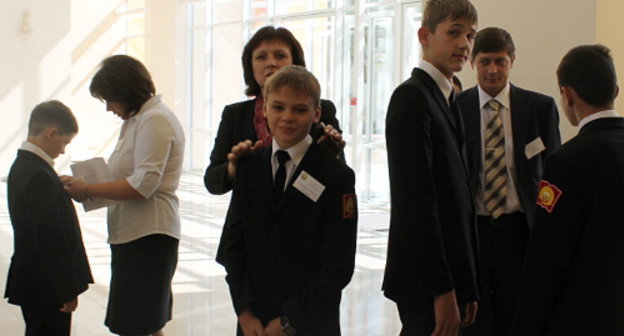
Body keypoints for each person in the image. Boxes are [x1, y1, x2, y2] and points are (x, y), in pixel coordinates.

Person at [218, 65, 357, 336]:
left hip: (309, 322)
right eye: (278, 107)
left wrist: (288, 322)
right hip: (254, 321)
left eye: (300, 110)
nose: (287, 117)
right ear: (265, 109)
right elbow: (233, 247)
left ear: (317, 114)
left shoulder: (335, 175)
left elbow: (338, 265)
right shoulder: (248, 167)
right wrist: (244, 313)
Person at [64, 55, 185, 336]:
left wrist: (88, 190)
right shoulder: (137, 120)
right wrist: (84, 184)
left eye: (109, 99)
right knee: (142, 323)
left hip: (149, 236)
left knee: (138, 323)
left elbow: (142, 185)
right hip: (132, 234)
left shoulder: (155, 120)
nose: (108, 108)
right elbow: (125, 178)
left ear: (125, 91)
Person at [382, 0, 479, 335]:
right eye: (454, 33)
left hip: (448, 274)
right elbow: (416, 204)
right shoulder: (412, 98)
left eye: (470, 35)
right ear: (425, 35)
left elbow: (457, 198)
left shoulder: (448, 98)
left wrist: (466, 282)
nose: (465, 44)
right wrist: (442, 289)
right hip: (427, 278)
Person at [513, 44, 624, 335]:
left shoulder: (566, 162)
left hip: (584, 317)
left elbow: (548, 256)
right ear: (615, 90)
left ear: (567, 94)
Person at [457, 27, 561, 336]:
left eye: (500, 61)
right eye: (485, 61)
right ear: (473, 62)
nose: (492, 70)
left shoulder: (540, 108)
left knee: (516, 316)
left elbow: (553, 174)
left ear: (513, 61)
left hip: (520, 230)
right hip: (473, 229)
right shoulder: (456, 109)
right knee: (474, 319)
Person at [203, 25, 344, 196]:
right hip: (250, 217)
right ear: (250, 66)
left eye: (280, 55)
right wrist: (234, 168)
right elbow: (212, 181)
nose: (271, 63)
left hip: (307, 215)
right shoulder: (235, 114)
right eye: (261, 57)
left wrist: (327, 156)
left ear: (295, 62)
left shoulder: (321, 109)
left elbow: (340, 176)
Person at [5, 101, 93, 336]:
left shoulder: (27, 166)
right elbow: (49, 238)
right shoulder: (37, 174)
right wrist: (66, 289)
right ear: (51, 133)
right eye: (65, 142)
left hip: (37, 282)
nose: (63, 150)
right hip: (46, 285)